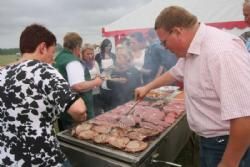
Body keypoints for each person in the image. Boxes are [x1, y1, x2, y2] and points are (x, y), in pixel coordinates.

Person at [135, 6, 250, 167]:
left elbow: (244, 116)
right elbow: (175, 72)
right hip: (210, 140)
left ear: (177, 31)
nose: (164, 48)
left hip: (224, 144)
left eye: (164, 42)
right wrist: (148, 87)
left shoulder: (222, 52)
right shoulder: (192, 48)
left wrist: (228, 163)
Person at [0, 24, 87, 166]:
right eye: (52, 53)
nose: (52, 59)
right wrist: (81, 118)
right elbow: (79, 109)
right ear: (42, 47)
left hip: (8, 159)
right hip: (42, 159)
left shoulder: (3, 73)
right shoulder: (43, 70)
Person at [54, 32, 102, 130]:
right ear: (76, 46)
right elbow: (78, 86)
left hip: (66, 108)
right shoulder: (72, 61)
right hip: (78, 114)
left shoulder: (59, 57)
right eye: (80, 47)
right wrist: (96, 82)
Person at [81, 43, 103, 116]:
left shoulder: (95, 63)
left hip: (97, 93)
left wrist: (99, 78)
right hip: (87, 95)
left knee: (98, 113)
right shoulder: (81, 65)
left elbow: (99, 76)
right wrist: (93, 81)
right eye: (88, 54)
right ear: (83, 54)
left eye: (92, 53)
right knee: (89, 115)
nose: (90, 56)